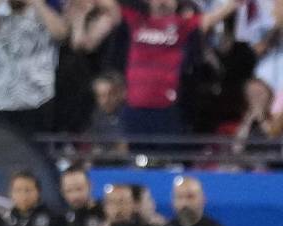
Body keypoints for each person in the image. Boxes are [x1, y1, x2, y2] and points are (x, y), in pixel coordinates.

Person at [89, 0, 243, 136]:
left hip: (166, 108)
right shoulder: (135, 19)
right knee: (135, 162)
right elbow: (106, 4)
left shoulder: (183, 25)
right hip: (134, 106)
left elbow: (216, 16)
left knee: (167, 160)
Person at [0, 0, 67, 134]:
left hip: (37, 101)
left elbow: (61, 33)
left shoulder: (42, 17)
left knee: (35, 153)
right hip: (3, 102)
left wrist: (37, 3)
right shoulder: (0, 20)